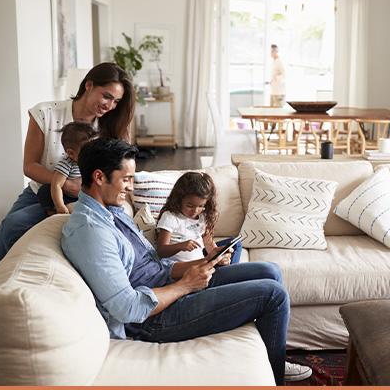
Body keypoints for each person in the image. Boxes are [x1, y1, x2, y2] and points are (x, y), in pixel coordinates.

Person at [61, 138, 312, 385]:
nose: (130, 187)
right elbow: (128, 309)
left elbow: (154, 265)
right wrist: (186, 285)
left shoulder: (111, 212)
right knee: (273, 295)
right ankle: (277, 374)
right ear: (99, 177)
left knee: (270, 270)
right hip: (153, 318)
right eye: (125, 179)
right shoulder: (90, 231)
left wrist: (196, 266)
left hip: (170, 287)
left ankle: (272, 356)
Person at [0, 62, 136, 270]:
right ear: (89, 85)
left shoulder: (109, 126)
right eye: (106, 96)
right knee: (8, 228)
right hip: (41, 190)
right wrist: (65, 184)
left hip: (87, 197)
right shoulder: (45, 113)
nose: (110, 106)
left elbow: (118, 171)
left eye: (116, 101)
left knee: (16, 224)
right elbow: (29, 166)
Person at [156, 171, 242, 264]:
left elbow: (210, 246)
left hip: (202, 262)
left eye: (201, 206)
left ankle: (227, 271)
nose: (195, 211)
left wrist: (219, 257)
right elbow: (161, 251)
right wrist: (180, 246)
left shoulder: (202, 216)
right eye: (190, 206)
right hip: (185, 268)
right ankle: (228, 274)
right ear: (178, 199)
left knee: (235, 244)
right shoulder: (170, 217)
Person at [37, 122, 97, 215]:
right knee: (46, 189)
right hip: (67, 197)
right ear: (71, 153)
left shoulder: (96, 161)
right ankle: (53, 213)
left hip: (86, 197)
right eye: (87, 151)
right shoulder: (67, 164)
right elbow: (57, 184)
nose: (93, 154)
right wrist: (59, 205)